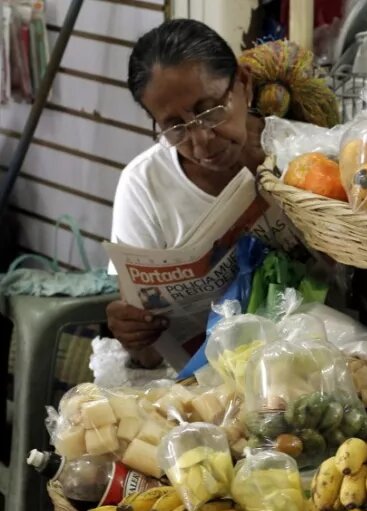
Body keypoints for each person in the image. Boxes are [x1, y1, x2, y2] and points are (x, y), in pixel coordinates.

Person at [106, 19, 337, 370]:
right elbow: (149, 356)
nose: (201, 141)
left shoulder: (307, 156)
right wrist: (134, 331)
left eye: (210, 110)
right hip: (205, 384)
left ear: (242, 85)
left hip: (320, 362)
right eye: (174, 127)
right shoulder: (144, 183)